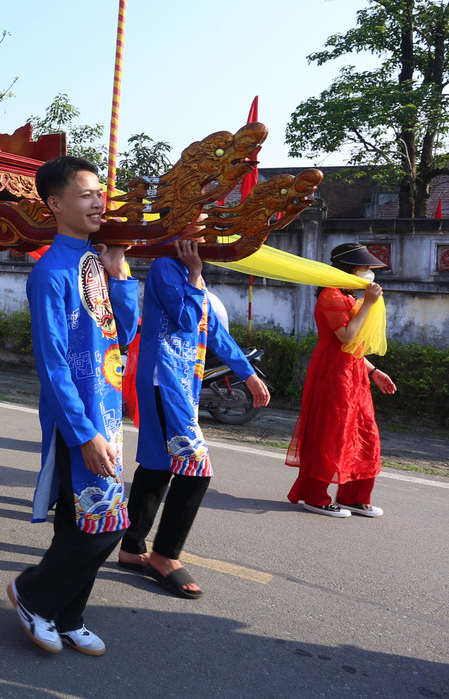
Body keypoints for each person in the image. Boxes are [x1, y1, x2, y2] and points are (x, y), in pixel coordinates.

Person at [8, 156, 138, 657]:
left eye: (99, 192)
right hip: (78, 421)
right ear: (55, 204)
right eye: (85, 194)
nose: (98, 201)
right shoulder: (50, 273)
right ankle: (32, 593)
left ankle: (68, 616)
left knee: (86, 522)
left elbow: (122, 337)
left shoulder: (93, 264)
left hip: (107, 416)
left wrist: (120, 276)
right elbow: (53, 365)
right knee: (105, 524)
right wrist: (84, 434)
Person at [117, 237, 270, 599]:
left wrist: (247, 373)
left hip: (182, 383)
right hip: (163, 380)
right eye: (197, 226)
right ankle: (165, 555)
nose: (205, 236)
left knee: (158, 466)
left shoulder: (186, 275)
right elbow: (186, 320)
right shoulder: (165, 269)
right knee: (196, 469)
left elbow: (213, 331)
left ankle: (131, 547)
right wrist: (197, 275)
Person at [286, 242, 397, 518]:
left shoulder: (347, 295)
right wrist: (369, 304)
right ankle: (315, 496)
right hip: (334, 372)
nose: (370, 273)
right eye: (365, 267)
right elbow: (346, 337)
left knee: (363, 432)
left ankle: (354, 496)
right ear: (350, 268)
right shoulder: (331, 295)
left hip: (354, 372)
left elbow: (355, 346)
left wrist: (373, 371)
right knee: (331, 433)